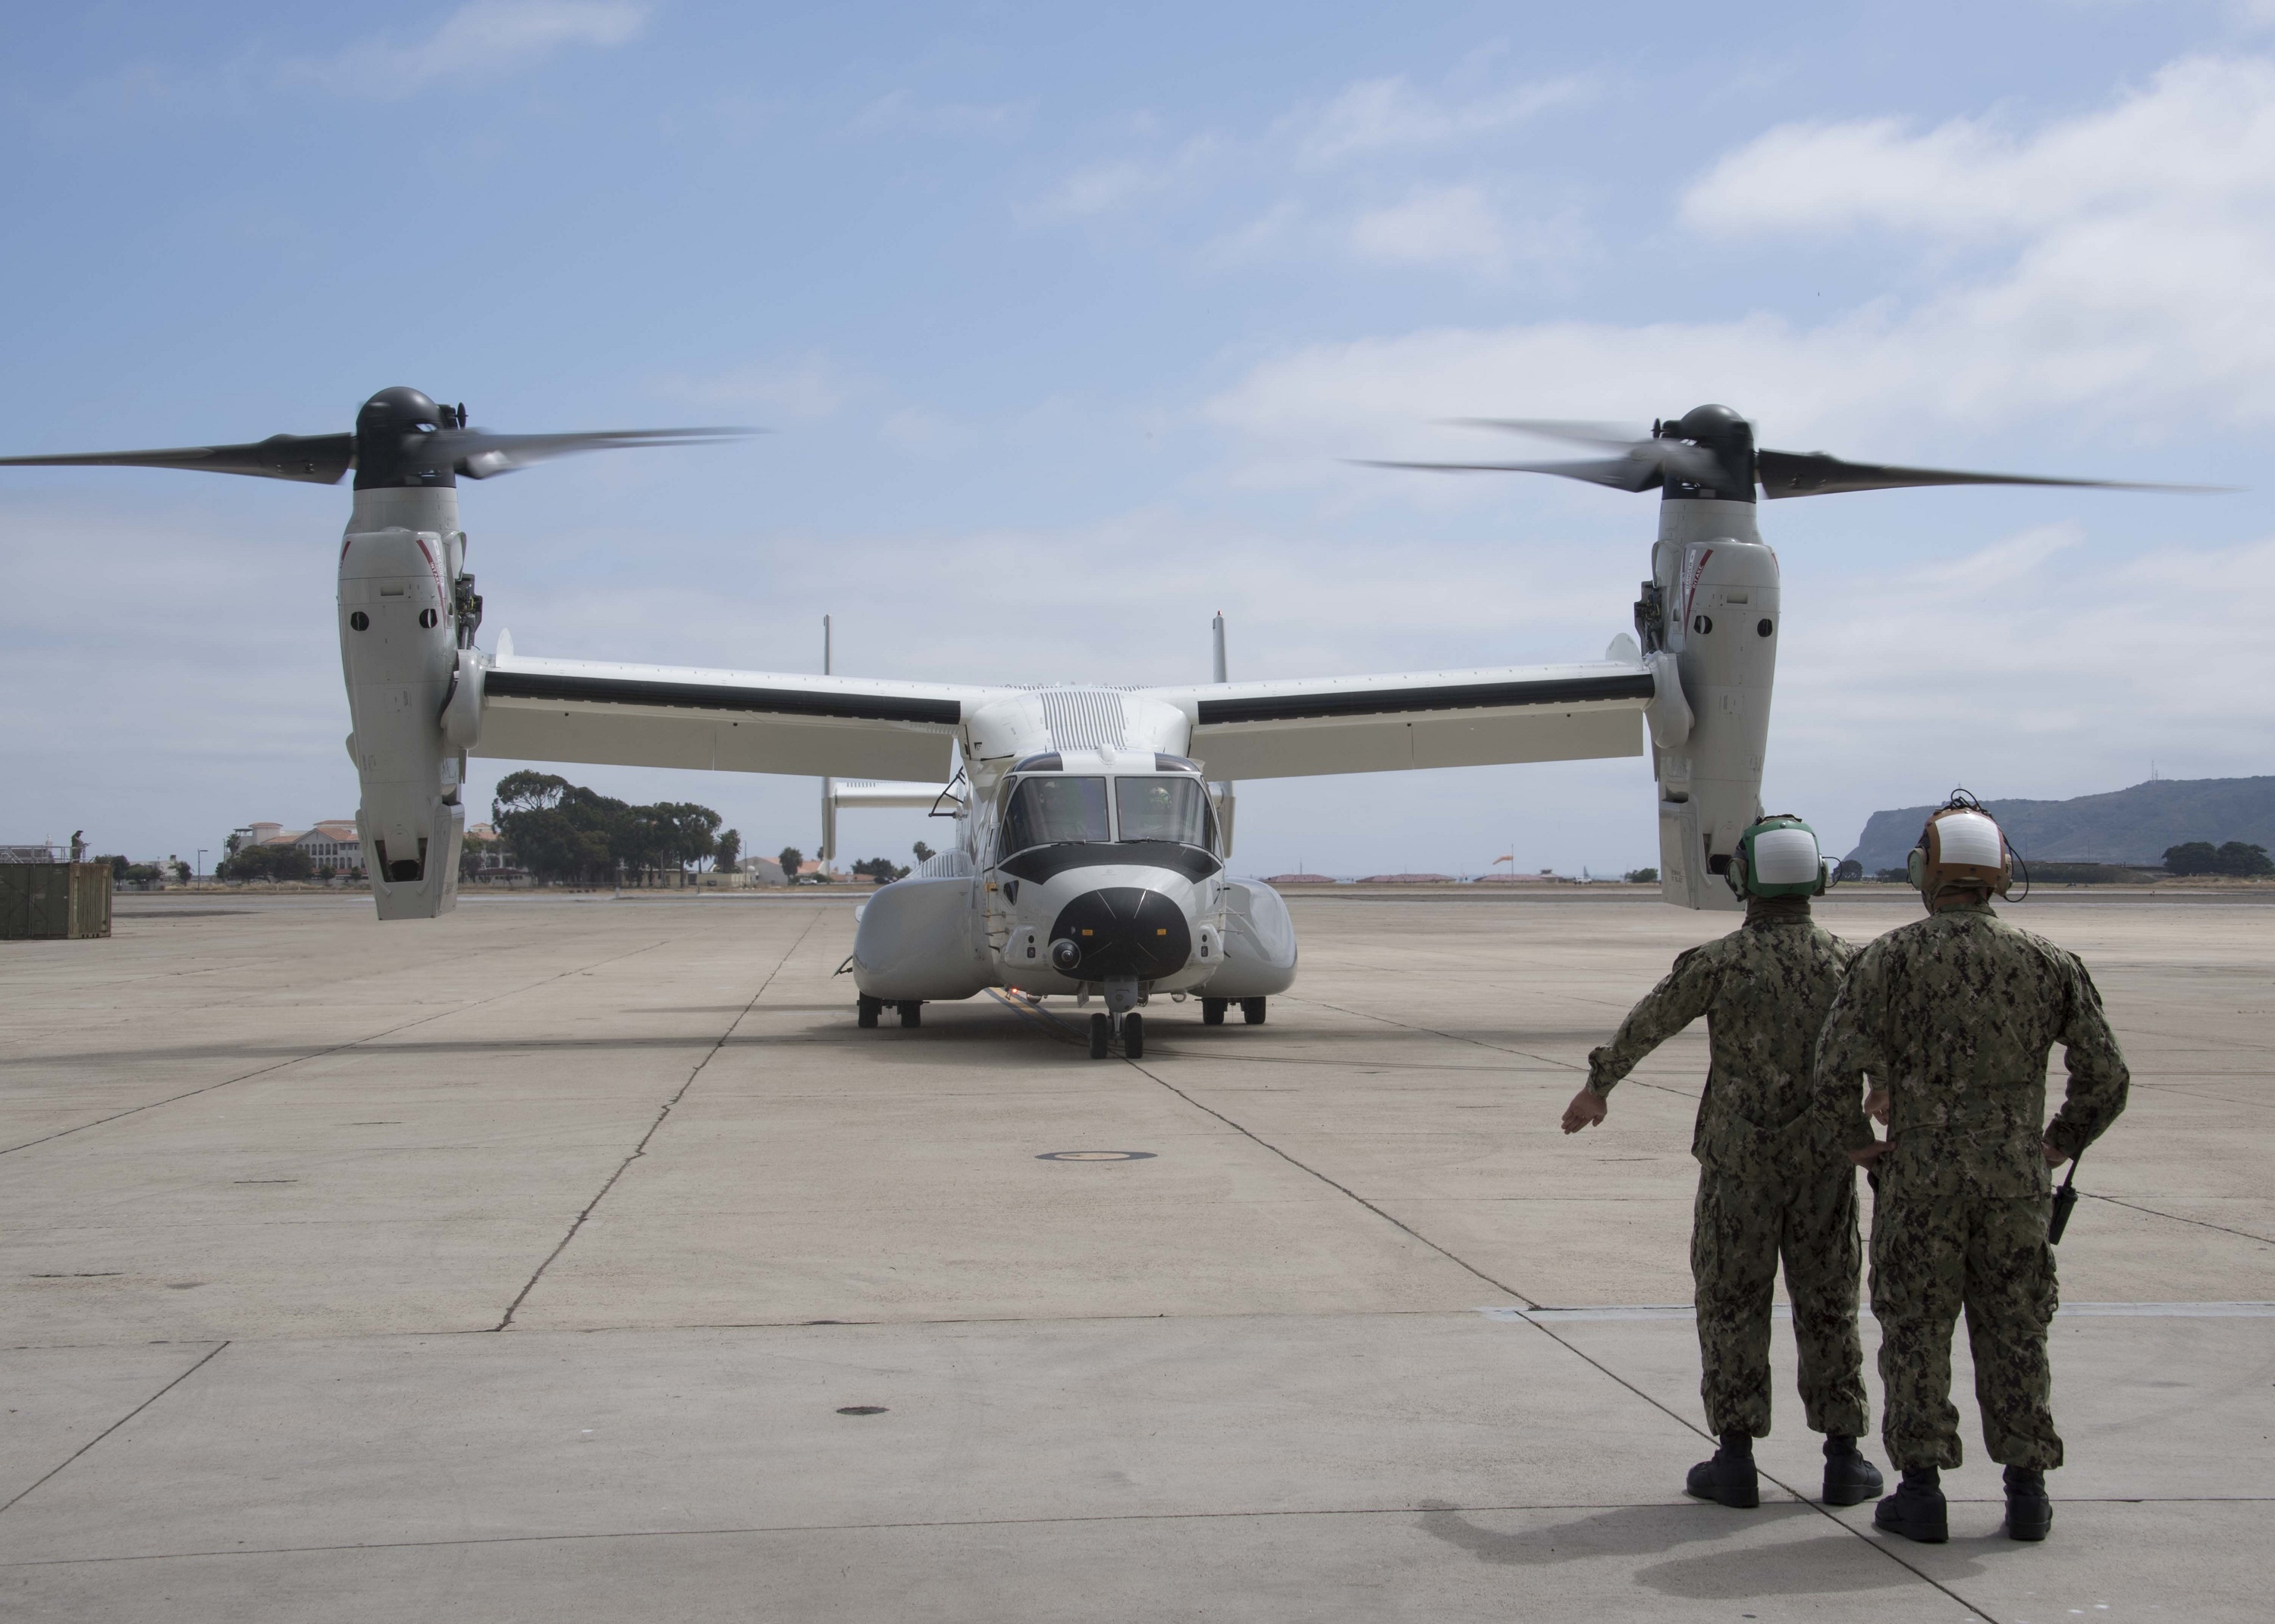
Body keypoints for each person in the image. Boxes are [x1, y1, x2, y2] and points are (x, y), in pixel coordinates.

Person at [1815, 795, 2128, 1544]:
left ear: (1927, 871)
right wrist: (2055, 1144)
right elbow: (2106, 1074)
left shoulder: (1887, 958)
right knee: (2017, 1329)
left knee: (1916, 1330)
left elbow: (1832, 1072)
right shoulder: (2050, 962)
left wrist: (1861, 1144)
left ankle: (1920, 1490)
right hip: (2017, 1182)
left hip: (1919, 1179)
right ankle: (2027, 1493)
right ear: (1997, 874)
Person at [1563, 815, 1882, 1510]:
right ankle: (1845, 1458)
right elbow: (1881, 1050)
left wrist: (1598, 1088)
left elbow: (1650, 1022)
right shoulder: (1851, 964)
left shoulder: (1720, 962)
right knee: (1828, 1303)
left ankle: (1736, 1460)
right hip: (1825, 1164)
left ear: (1745, 881)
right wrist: (1884, 1095)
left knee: (1732, 1303)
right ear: (1817, 879)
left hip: (1738, 1166)